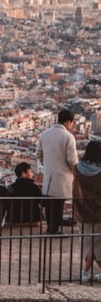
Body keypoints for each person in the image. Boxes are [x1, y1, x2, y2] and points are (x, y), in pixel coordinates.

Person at [38, 109, 79, 235]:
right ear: (68, 122)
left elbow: (39, 154)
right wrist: (75, 173)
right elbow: (72, 160)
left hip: (49, 176)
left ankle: (51, 227)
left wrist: (48, 165)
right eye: (72, 123)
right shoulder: (68, 136)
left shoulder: (45, 134)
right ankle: (54, 230)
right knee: (59, 204)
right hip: (63, 176)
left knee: (50, 204)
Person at [73, 140, 101, 283]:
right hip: (99, 212)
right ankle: (85, 272)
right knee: (97, 244)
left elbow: (75, 189)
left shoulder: (77, 168)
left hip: (82, 211)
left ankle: (85, 272)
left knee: (87, 243)